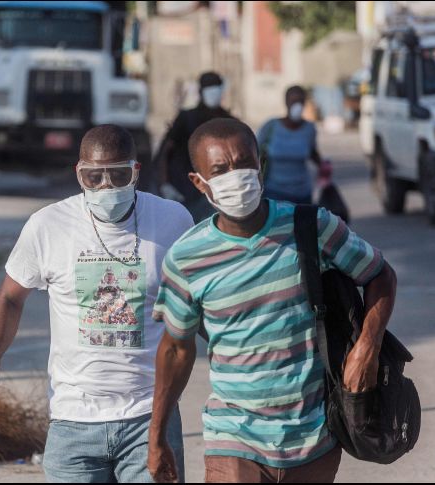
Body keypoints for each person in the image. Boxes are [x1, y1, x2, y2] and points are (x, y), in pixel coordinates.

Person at [147, 118, 397, 483]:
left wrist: (366, 349)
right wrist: (156, 437)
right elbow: (175, 349)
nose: (236, 176)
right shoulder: (187, 258)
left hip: (314, 436)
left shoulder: (312, 226)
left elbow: (380, 275)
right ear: (199, 183)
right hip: (233, 435)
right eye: (220, 170)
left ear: (261, 164)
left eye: (244, 162)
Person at [0, 125, 194, 483]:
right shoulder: (48, 226)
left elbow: (199, 303)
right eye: (93, 176)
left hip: (150, 416)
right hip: (73, 422)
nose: (105, 187)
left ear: (135, 172)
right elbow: (9, 298)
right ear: (78, 173)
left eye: (117, 175)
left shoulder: (172, 221)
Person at [156, 71, 236, 222]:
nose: (213, 92)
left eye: (216, 87)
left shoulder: (229, 121)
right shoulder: (186, 118)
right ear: (200, 91)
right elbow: (165, 152)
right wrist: (164, 184)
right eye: (209, 88)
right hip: (182, 189)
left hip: (216, 193)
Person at [258, 85, 323, 205]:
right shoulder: (271, 127)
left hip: (302, 193)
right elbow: (256, 152)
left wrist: (323, 166)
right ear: (286, 102)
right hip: (274, 192)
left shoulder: (309, 128)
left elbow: (312, 152)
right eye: (293, 101)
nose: (297, 105)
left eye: (300, 101)